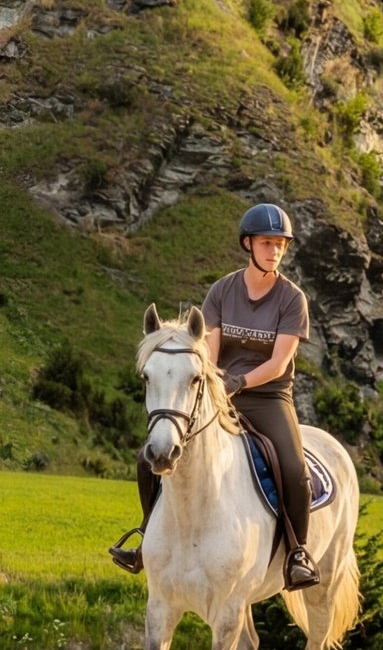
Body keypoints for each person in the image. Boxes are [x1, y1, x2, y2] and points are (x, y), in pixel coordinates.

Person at [115, 202, 322, 591]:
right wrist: (215, 382)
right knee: (150, 456)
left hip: (269, 397)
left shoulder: (292, 299)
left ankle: (298, 553)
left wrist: (239, 382)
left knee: (294, 467)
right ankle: (147, 537)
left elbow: (279, 363)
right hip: (218, 393)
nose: (274, 251)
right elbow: (208, 349)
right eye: (266, 243)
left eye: (280, 244)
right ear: (248, 244)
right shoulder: (222, 290)